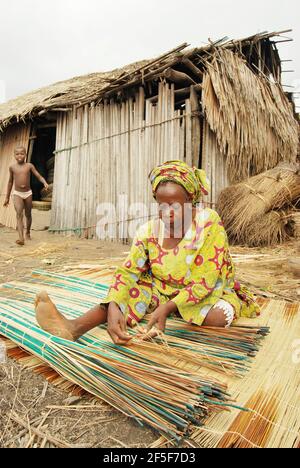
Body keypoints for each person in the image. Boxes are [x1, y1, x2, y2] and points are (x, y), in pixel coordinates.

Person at [35, 160, 260, 344]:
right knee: (127, 295)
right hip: (161, 289)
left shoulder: (208, 223)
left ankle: (174, 311)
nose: (168, 212)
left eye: (175, 205)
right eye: (162, 205)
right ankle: (74, 328)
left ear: (191, 201)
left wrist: (167, 307)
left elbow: (206, 281)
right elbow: (128, 271)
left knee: (216, 317)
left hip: (206, 291)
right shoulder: (149, 231)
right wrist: (114, 305)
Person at [3, 146, 49, 246]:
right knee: (19, 214)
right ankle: (21, 238)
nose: (20, 155)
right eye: (17, 154)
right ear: (14, 155)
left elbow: (38, 175)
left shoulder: (29, 166)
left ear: (25, 154)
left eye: (22, 153)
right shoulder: (12, 167)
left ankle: (27, 232)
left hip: (28, 193)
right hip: (17, 194)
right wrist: (7, 197)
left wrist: (44, 182)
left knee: (28, 215)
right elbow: (10, 182)